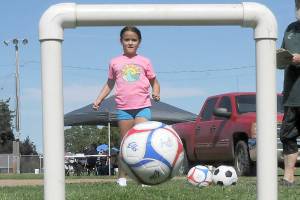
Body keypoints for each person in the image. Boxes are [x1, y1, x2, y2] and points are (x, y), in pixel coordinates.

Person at [92, 26, 160, 187]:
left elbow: (154, 82)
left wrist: (156, 92)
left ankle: (144, 177)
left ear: (139, 42)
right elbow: (109, 83)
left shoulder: (145, 61)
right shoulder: (114, 62)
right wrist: (99, 99)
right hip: (124, 109)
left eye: (134, 40)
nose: (130, 42)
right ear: (121, 41)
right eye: (127, 39)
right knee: (126, 143)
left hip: (142, 106)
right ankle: (122, 177)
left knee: (142, 142)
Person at [279, 0, 300, 187]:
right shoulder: (290, 28)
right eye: (297, 5)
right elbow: (282, 55)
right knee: (287, 135)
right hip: (291, 95)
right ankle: (288, 178)